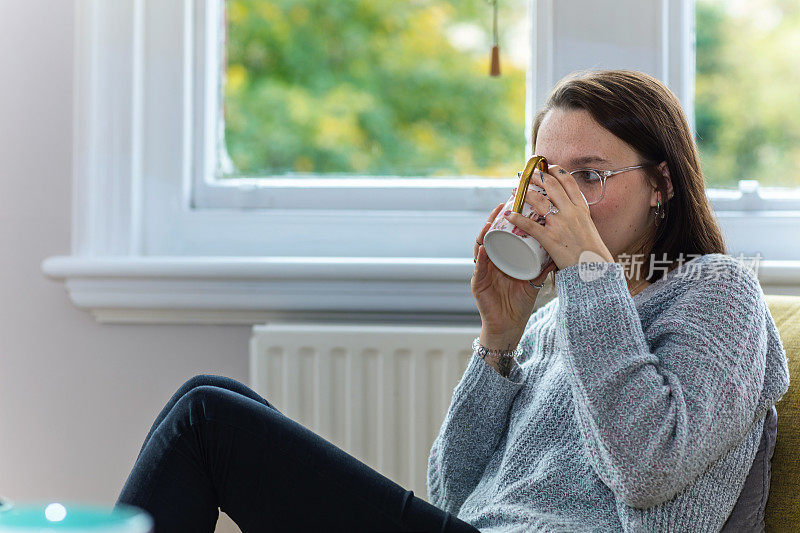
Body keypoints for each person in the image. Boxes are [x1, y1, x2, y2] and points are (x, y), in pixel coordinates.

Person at [115, 69, 790, 532]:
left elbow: (648, 469)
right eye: (546, 176)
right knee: (206, 392)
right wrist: (499, 341)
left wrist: (588, 273)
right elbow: (452, 493)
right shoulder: (562, 319)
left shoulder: (716, 291)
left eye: (590, 175)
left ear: (660, 185)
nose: (561, 200)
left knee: (209, 422)